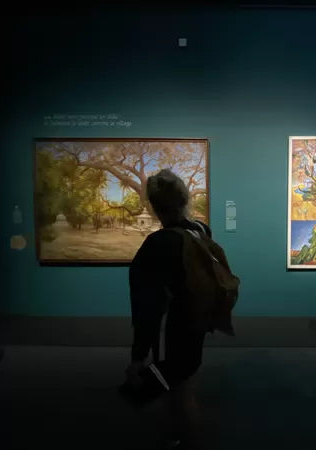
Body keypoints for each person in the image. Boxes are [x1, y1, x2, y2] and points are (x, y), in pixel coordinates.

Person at [126, 169, 211, 449]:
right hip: (197, 322)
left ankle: (186, 440)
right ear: (184, 198)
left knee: (177, 390)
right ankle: (180, 437)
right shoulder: (200, 230)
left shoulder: (158, 243)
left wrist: (138, 355)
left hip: (172, 328)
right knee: (183, 383)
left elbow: (148, 304)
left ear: (154, 205)